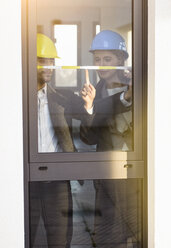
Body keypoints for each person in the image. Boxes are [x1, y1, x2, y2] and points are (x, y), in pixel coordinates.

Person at [80, 30, 140, 248]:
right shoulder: (92, 92)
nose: (102, 64)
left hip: (136, 174)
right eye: (97, 59)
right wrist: (88, 108)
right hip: (108, 176)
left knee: (138, 229)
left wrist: (126, 96)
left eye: (108, 59)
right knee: (109, 235)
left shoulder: (139, 85)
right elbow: (88, 139)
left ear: (121, 59)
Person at [30, 33, 91, 247]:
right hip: (26, 181)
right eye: (42, 60)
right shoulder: (15, 98)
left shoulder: (62, 98)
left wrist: (89, 105)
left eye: (51, 61)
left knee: (60, 240)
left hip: (56, 180)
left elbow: (90, 130)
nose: (48, 66)